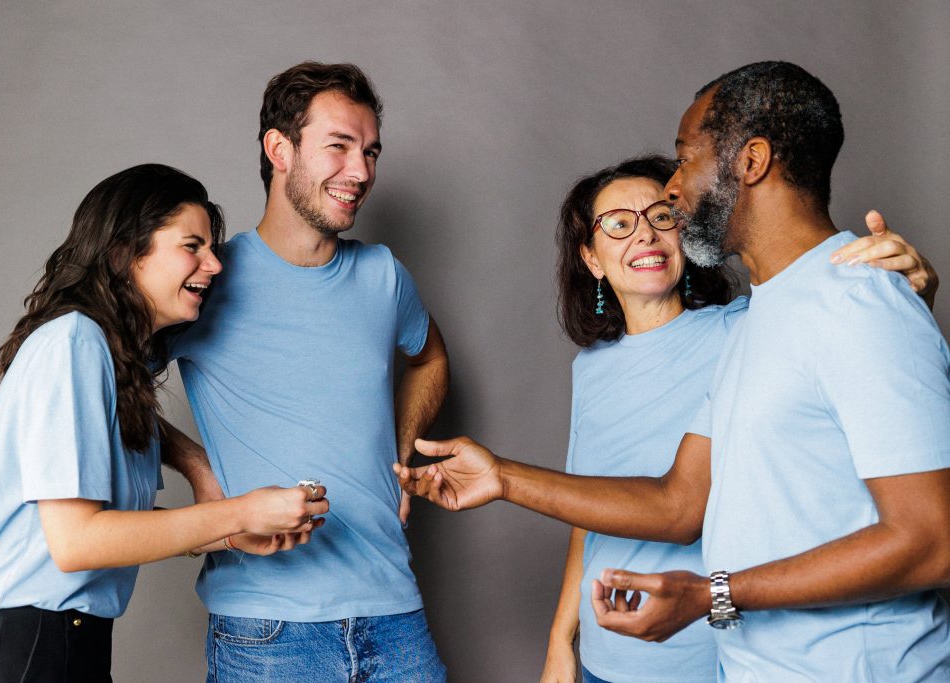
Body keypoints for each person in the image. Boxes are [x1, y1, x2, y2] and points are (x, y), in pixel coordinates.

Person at [398, 62, 950, 682]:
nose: (675, 192)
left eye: (685, 160)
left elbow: (933, 539)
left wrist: (712, 593)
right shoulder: (765, 320)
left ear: (751, 161)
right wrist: (500, 476)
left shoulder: (858, 300)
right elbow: (679, 502)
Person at [0, 164, 329, 683]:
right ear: (125, 252)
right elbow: (79, 543)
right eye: (193, 245)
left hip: (62, 647)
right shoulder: (73, 343)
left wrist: (229, 527)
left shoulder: (111, 364)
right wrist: (237, 512)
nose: (214, 264)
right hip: (24, 650)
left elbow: (115, 526)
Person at [163, 63, 450, 682]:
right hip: (267, 631)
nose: (363, 172)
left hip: (396, 615)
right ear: (280, 149)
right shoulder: (208, 279)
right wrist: (195, 463)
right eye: (339, 147)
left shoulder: (384, 276)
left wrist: (401, 453)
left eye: (370, 152)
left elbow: (429, 357)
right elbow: (114, 389)